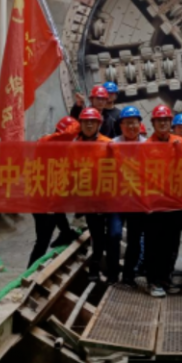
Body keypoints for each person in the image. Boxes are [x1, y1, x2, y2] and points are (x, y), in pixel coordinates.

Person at [27, 117, 82, 266]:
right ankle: (29, 272)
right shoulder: (47, 142)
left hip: (49, 198)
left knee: (58, 212)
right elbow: (68, 134)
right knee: (42, 240)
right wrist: (79, 125)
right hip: (42, 201)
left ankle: (65, 232)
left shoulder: (62, 147)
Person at [73, 108, 118, 283]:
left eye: (93, 121)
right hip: (90, 200)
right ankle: (95, 267)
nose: (89, 124)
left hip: (110, 199)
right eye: (86, 121)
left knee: (114, 235)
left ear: (99, 124)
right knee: (97, 236)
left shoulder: (108, 144)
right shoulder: (74, 146)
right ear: (81, 124)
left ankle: (113, 271)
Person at [145, 104, 182, 297]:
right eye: (159, 120)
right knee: (154, 245)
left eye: (166, 120)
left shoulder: (179, 141)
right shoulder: (146, 146)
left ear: (170, 123)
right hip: (154, 205)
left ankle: (165, 278)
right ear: (153, 123)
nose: (162, 123)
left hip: (174, 204)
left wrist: (180, 151)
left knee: (172, 244)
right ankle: (153, 281)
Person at [114, 106, 148, 287]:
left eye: (134, 123)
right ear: (121, 126)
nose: (131, 127)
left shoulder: (148, 146)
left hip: (137, 201)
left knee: (134, 239)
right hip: (117, 200)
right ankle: (113, 273)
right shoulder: (112, 145)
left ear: (139, 124)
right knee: (114, 234)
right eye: (127, 123)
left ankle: (128, 275)